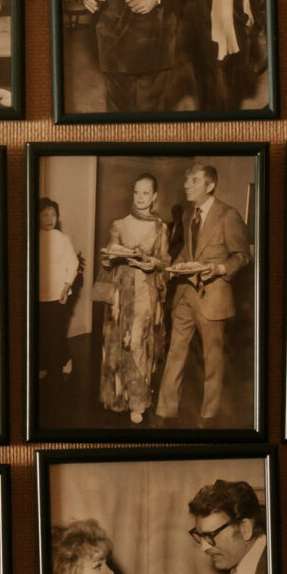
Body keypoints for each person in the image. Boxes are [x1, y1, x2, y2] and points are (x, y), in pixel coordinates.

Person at [158, 161, 252, 425]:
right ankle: (165, 411)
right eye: (186, 180)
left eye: (194, 181)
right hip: (185, 295)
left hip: (213, 297)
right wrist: (173, 267)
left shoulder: (228, 215)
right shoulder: (189, 214)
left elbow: (242, 256)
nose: (186, 185)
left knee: (212, 360)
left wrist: (220, 268)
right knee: (175, 352)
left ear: (210, 186)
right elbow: (188, 253)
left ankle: (209, 415)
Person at [98, 173, 170, 426]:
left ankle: (138, 402)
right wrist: (109, 257)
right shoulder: (119, 224)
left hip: (145, 293)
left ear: (155, 196)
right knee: (119, 343)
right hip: (120, 294)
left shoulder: (161, 228)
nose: (140, 197)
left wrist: (154, 263)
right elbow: (107, 260)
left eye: (146, 193)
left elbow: (165, 261)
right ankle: (119, 397)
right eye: (137, 192)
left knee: (137, 343)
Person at [36, 198, 82, 404]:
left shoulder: (63, 239)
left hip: (58, 295)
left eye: (53, 215)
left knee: (56, 332)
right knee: (42, 332)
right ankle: (42, 364)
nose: (50, 218)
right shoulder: (34, 238)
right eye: (45, 214)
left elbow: (73, 264)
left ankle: (63, 359)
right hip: (39, 296)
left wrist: (66, 287)